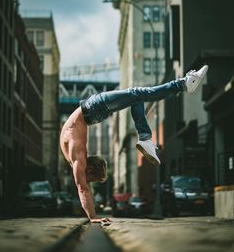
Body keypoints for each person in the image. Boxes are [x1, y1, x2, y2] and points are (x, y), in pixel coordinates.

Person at [60, 65, 208, 223]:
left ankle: (184, 84)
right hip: (92, 110)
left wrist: (93, 217)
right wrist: (93, 216)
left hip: (93, 108)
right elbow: (84, 188)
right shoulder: (77, 156)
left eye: (92, 178)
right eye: (92, 180)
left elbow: (83, 189)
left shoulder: (78, 156)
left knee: (138, 94)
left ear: (89, 169)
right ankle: (146, 136)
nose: (88, 181)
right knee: (138, 94)